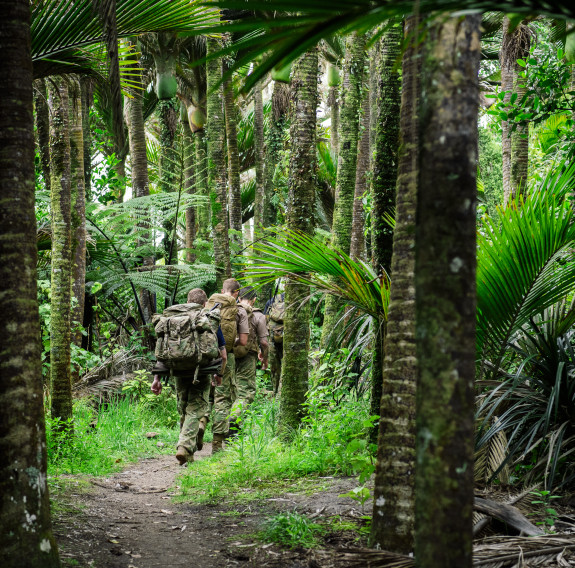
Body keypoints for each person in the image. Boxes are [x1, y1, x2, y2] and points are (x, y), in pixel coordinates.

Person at [150, 288, 226, 465]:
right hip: (202, 369)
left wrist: (156, 379)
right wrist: (219, 374)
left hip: (176, 369)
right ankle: (184, 445)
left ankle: (189, 455)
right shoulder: (206, 317)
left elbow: (160, 353)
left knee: (183, 407)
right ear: (203, 303)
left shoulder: (171, 319)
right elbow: (222, 353)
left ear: (187, 301)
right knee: (197, 408)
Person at [204, 278, 249, 453]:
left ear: (222, 291)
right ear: (237, 293)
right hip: (226, 356)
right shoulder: (239, 311)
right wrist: (229, 343)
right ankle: (217, 444)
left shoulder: (207, 307)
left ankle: (200, 426)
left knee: (205, 396)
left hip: (204, 355)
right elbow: (244, 341)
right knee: (223, 398)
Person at [230, 286, 268, 430]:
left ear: (239, 298)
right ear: (254, 300)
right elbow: (264, 342)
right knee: (246, 392)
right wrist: (265, 358)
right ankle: (234, 418)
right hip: (248, 355)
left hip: (228, 354)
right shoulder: (258, 315)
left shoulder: (231, 311)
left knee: (230, 390)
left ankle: (222, 428)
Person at [265, 292, 285, 394]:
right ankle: (281, 395)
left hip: (273, 340)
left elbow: (265, 321)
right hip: (288, 342)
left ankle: (276, 392)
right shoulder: (299, 300)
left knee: (275, 370)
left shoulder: (272, 300)